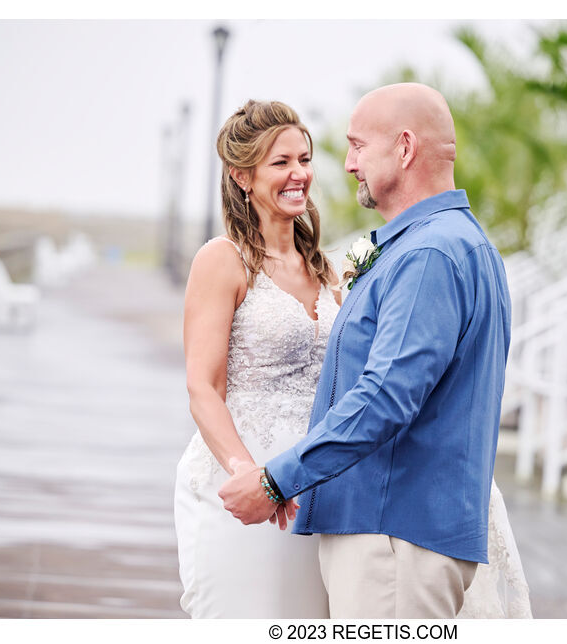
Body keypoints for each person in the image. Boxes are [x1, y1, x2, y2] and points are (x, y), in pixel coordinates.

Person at [218, 83, 531, 618]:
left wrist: (276, 480)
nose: (347, 164)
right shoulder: (459, 242)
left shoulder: (430, 253)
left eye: (359, 145)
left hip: (393, 541)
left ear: (404, 149)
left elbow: (385, 397)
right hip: (401, 537)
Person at [173, 100, 337, 618]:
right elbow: (202, 387)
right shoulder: (223, 260)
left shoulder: (327, 268)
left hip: (315, 486)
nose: (299, 175)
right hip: (245, 482)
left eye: (305, 160)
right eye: (281, 162)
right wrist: (252, 477)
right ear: (243, 175)